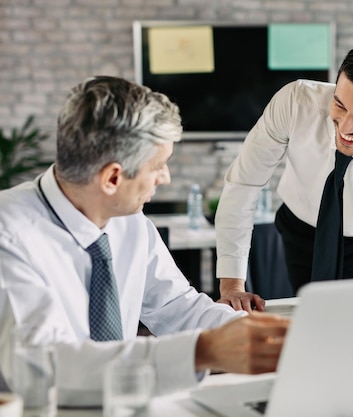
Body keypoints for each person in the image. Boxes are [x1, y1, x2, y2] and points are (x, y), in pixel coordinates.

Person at [0, 76, 289, 407]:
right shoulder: (9, 235)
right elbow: (43, 368)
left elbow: (178, 307)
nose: (165, 178)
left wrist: (267, 336)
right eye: (159, 166)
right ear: (112, 177)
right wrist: (204, 351)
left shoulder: (132, 224)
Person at [215, 36, 353, 311]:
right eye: (340, 105)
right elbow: (243, 184)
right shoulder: (295, 103)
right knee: (305, 318)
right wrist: (232, 286)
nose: (345, 127)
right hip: (298, 229)